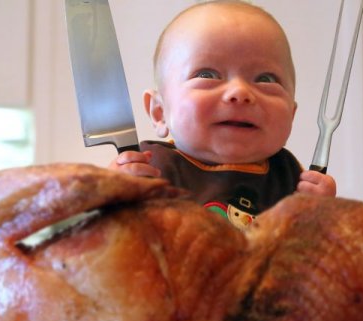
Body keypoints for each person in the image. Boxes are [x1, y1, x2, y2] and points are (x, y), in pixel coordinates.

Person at [109, 0, 336, 229]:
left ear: (291, 115)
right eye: (206, 74)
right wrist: (110, 201)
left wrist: (322, 214)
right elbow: (107, 241)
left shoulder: (289, 178)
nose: (240, 92)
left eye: (265, 79)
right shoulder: (148, 168)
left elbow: (311, 247)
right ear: (159, 112)